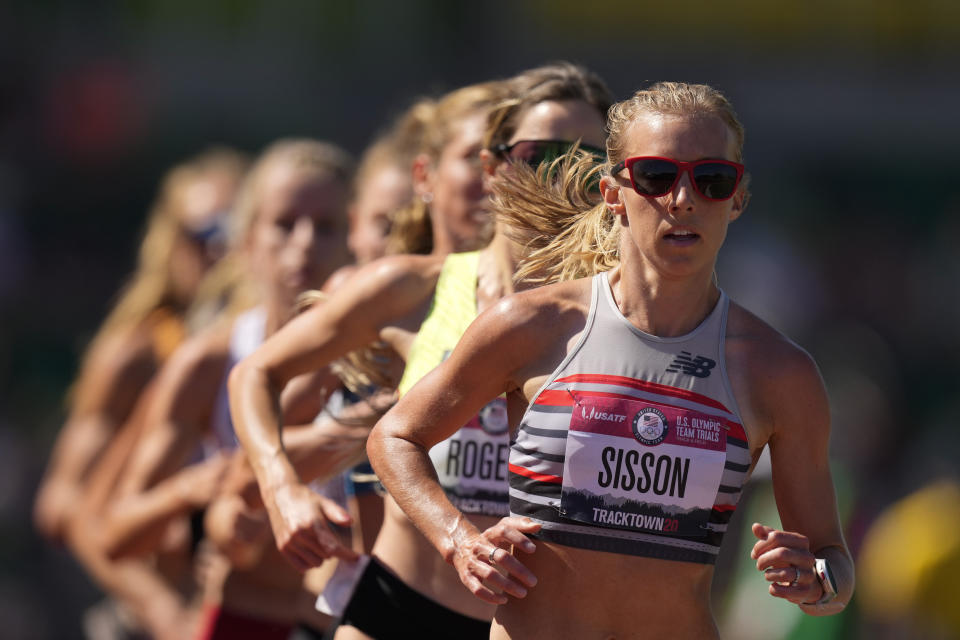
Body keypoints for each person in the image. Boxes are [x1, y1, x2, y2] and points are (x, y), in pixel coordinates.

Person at [367, 81, 854, 639]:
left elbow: (831, 562)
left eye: (712, 180)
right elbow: (395, 438)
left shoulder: (779, 372)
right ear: (613, 192)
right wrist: (458, 540)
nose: (683, 199)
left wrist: (815, 582)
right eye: (657, 176)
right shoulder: (533, 326)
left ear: (737, 198)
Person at [229, 62, 611, 639]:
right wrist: (282, 489)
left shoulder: (612, 314)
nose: (560, 177)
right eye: (540, 154)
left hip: (531, 626)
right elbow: (257, 372)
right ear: (493, 165)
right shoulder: (414, 289)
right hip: (397, 609)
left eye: (585, 160)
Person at [98, 139, 355, 639]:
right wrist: (190, 490)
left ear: (357, 238)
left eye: (325, 227)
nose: (303, 244)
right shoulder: (212, 362)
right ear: (247, 242)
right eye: (283, 224)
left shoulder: (383, 360)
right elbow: (114, 535)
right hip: (243, 623)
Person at [32, 148, 247, 639]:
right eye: (204, 234)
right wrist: (160, 606)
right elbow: (62, 503)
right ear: (172, 242)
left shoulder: (267, 344)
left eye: (232, 232)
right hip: (150, 618)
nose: (219, 253)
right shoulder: (139, 353)